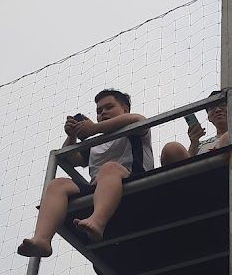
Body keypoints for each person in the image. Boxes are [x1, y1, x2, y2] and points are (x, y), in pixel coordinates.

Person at [17, 88, 153, 257]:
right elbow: (70, 159)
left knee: (109, 168)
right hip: (98, 189)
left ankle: (97, 221)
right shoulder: (96, 142)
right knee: (58, 184)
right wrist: (72, 136)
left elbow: (139, 119)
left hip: (133, 180)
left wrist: (94, 128)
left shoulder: (134, 129)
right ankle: (42, 240)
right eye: (99, 111)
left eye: (109, 107)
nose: (103, 113)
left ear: (125, 109)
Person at [160, 91, 232, 166]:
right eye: (212, 108)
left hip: (228, 177)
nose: (217, 110)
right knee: (172, 148)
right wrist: (194, 143)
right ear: (209, 117)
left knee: (230, 135)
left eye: (223, 105)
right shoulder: (200, 145)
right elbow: (187, 164)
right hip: (199, 179)